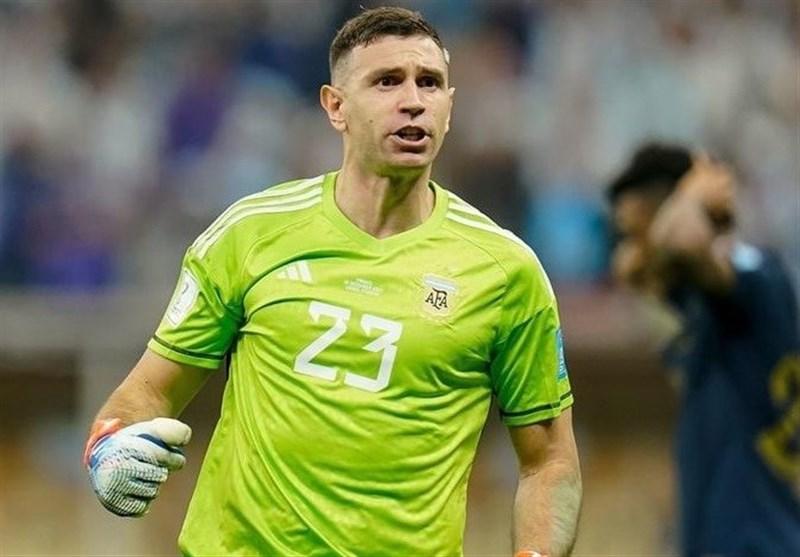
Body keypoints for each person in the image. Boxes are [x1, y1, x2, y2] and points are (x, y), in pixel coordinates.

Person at [83, 7, 581, 557]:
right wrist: (110, 450)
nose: (413, 100)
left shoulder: (505, 270)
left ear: (449, 107)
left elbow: (549, 461)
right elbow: (149, 390)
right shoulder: (251, 233)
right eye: (387, 81)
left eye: (429, 83)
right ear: (335, 106)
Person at [607, 143, 799, 557]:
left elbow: (681, 241)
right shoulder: (703, 302)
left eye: (637, 232)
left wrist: (694, 192)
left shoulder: (754, 274)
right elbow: (635, 266)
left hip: (758, 542)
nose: (632, 250)